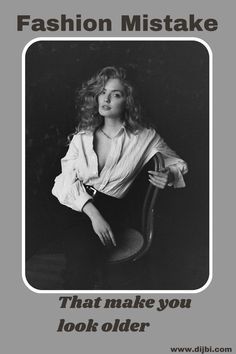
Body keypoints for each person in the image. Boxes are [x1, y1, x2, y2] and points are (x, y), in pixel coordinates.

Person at [52, 66, 188, 289]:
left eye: (116, 94)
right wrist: (92, 212)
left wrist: (169, 175)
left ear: (128, 101)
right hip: (75, 206)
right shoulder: (82, 137)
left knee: (80, 259)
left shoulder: (145, 137)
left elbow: (178, 163)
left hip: (112, 210)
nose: (106, 98)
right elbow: (63, 181)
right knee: (76, 250)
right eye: (103, 92)